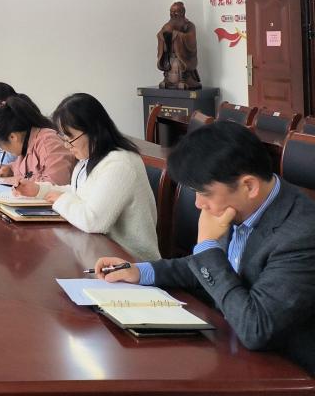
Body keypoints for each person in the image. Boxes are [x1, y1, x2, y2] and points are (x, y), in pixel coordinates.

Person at [95, 121, 315, 375]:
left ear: (249, 186)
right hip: (229, 341)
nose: (198, 203)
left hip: (284, 370)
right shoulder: (241, 205)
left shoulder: (301, 234)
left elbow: (256, 329)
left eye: (205, 193)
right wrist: (141, 272)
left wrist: (208, 247)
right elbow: (212, 266)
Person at [13, 93, 160, 260]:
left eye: (70, 138)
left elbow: (93, 221)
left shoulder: (120, 164)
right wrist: (38, 190)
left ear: (93, 130)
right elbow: (80, 193)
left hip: (133, 261)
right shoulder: (89, 159)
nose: (66, 145)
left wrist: (60, 200)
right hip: (101, 252)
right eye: (63, 138)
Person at [0, 94, 76, 185]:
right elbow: (26, 167)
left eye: (0, 145)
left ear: (13, 137)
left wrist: (18, 180)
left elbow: (56, 184)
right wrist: (10, 169)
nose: (1, 149)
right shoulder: (26, 142)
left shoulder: (48, 143)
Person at [157, 1, 201, 89]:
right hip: (170, 57)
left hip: (182, 57)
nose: (173, 14)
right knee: (168, 64)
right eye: (171, 12)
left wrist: (176, 34)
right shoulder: (167, 25)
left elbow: (191, 40)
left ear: (182, 12)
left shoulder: (189, 25)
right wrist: (164, 35)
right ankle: (167, 79)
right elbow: (160, 35)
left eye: (175, 12)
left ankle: (184, 79)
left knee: (181, 66)